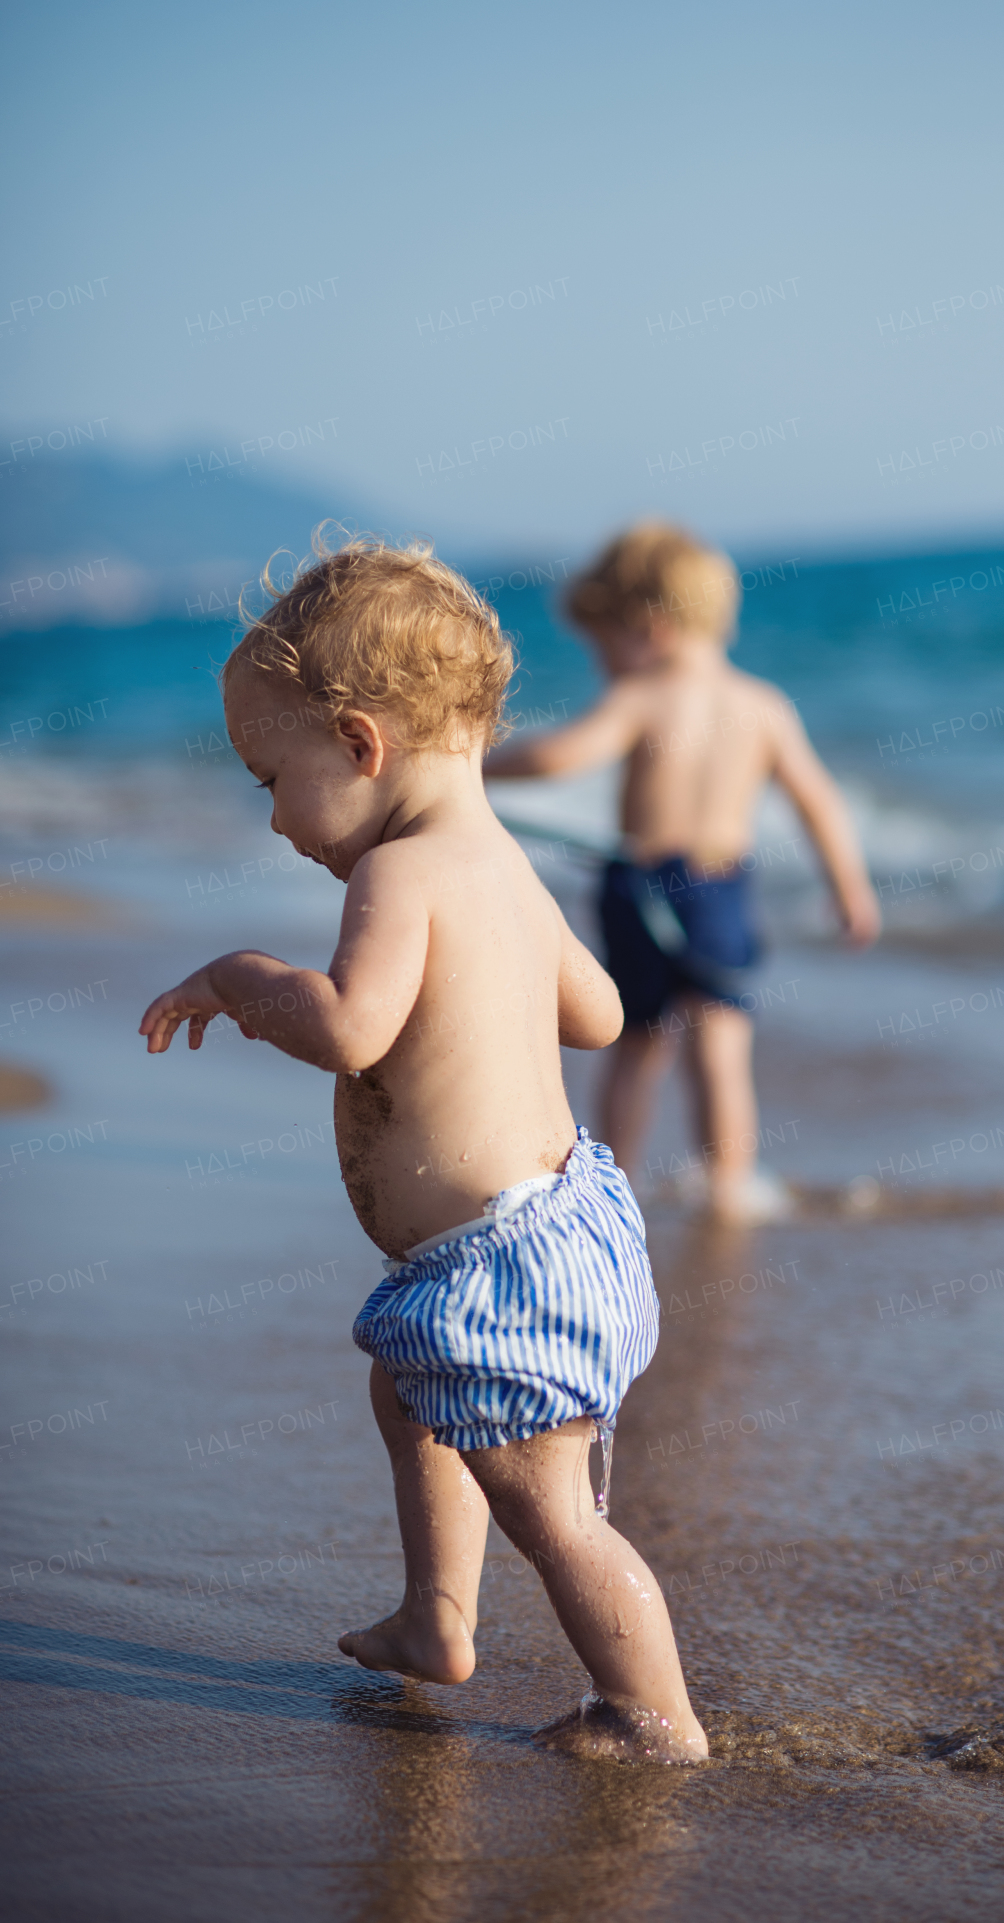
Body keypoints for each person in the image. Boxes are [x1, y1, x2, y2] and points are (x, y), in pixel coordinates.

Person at [138, 534, 707, 1763]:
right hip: (555, 1231)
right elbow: (601, 1013)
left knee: (550, 1513)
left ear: (358, 744)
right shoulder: (503, 866)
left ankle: (651, 1718)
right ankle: (436, 1616)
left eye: (270, 780)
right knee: (410, 1395)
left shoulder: (396, 873)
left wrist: (243, 978)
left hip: (501, 1263)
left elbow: (351, 1031)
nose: (279, 819)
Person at [485, 522, 881, 1223]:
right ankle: (730, 1184)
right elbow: (817, 798)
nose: (604, 663)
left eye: (604, 644)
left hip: (640, 890)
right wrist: (850, 889)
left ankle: (616, 1185)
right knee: (722, 1044)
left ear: (649, 627)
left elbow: (560, 756)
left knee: (636, 1043)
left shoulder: (641, 696)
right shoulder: (764, 705)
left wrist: (468, 766)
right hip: (720, 888)